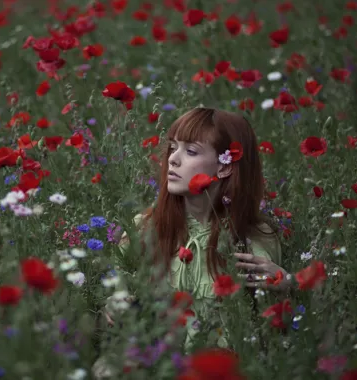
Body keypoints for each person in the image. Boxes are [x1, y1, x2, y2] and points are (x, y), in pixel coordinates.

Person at [93, 107, 293, 378]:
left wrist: (284, 288)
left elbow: (270, 334)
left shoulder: (251, 238)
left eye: (191, 151)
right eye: (173, 148)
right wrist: (114, 304)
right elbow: (117, 291)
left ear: (224, 165)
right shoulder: (146, 228)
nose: (172, 160)